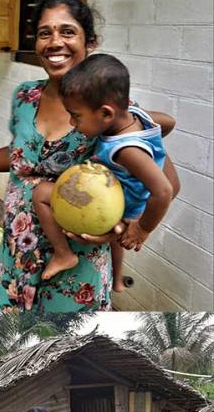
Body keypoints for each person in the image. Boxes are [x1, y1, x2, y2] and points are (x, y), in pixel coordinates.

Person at [0, 0, 180, 311]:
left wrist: (124, 226)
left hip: (78, 258)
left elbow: (160, 177)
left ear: (89, 42)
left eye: (68, 32)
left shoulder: (105, 110)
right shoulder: (25, 96)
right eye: (45, 33)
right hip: (17, 248)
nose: (56, 42)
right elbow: (21, 158)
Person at [33, 53, 174, 286]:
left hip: (122, 207)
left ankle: (63, 253)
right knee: (115, 246)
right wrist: (154, 148)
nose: (72, 124)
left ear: (106, 113)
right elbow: (168, 121)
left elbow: (164, 191)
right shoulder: (138, 116)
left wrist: (141, 229)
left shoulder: (124, 150)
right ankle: (117, 279)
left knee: (40, 194)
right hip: (127, 200)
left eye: (76, 116)